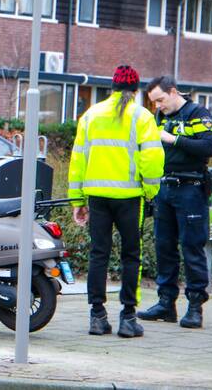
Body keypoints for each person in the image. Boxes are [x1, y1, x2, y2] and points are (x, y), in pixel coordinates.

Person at [69, 65, 164, 338]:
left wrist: (78, 198)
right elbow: (152, 158)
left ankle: (97, 317)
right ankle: (128, 317)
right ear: (135, 91)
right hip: (130, 198)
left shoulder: (91, 115)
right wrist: (150, 190)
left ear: (111, 88)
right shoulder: (142, 116)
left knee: (99, 254)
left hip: (97, 197)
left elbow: (78, 158)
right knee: (131, 255)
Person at [140, 76, 212, 329]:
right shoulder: (160, 117)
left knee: (192, 248)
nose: (158, 106)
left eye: (160, 100)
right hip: (165, 187)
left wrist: (173, 140)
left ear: (173, 92)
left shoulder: (197, 113)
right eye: (154, 102)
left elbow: (208, 146)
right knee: (164, 247)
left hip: (191, 188)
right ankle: (166, 303)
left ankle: (195, 307)